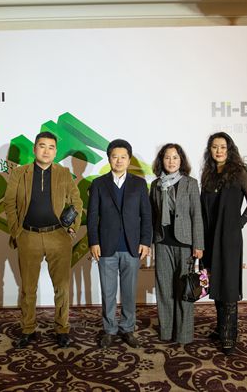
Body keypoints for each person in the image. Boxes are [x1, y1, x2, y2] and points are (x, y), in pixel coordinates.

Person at [3, 131, 83, 349]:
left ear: (55, 152)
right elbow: (9, 203)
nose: (46, 151)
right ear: (34, 149)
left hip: (58, 236)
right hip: (28, 236)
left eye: (51, 147)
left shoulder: (64, 173)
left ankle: (62, 329)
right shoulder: (20, 173)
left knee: (62, 287)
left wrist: (72, 229)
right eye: (42, 146)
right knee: (28, 289)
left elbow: (77, 202)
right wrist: (17, 231)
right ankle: (28, 329)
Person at [87, 139, 152, 348]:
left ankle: (127, 328)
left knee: (129, 292)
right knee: (108, 292)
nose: (119, 160)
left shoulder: (139, 184)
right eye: (115, 156)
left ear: (129, 160)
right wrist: (94, 241)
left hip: (132, 247)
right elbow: (92, 216)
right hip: (106, 247)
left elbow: (146, 215)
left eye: (123, 157)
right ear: (109, 159)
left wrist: (145, 241)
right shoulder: (98, 184)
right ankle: (109, 329)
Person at [200, 132, 247, 355]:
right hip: (209, 236)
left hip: (229, 238)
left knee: (229, 285)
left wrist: (238, 224)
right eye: (215, 147)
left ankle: (230, 334)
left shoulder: (239, 172)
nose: (219, 151)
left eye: (223, 147)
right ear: (210, 150)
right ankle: (220, 327)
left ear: (229, 149)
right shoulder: (208, 174)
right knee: (215, 282)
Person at [149, 143, 204, 344]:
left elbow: (196, 215)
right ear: (161, 161)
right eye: (167, 157)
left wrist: (198, 245)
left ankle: (184, 334)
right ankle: (166, 331)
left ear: (181, 160)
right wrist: (149, 242)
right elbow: (152, 215)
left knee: (185, 290)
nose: (171, 161)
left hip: (185, 243)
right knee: (164, 289)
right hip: (162, 242)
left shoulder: (191, 183)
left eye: (175, 157)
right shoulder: (156, 185)